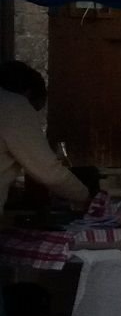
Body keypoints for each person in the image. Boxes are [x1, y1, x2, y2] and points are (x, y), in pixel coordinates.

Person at [0, 62, 89, 208]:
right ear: (28, 94)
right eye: (33, 109)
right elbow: (48, 172)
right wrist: (86, 196)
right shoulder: (14, 106)